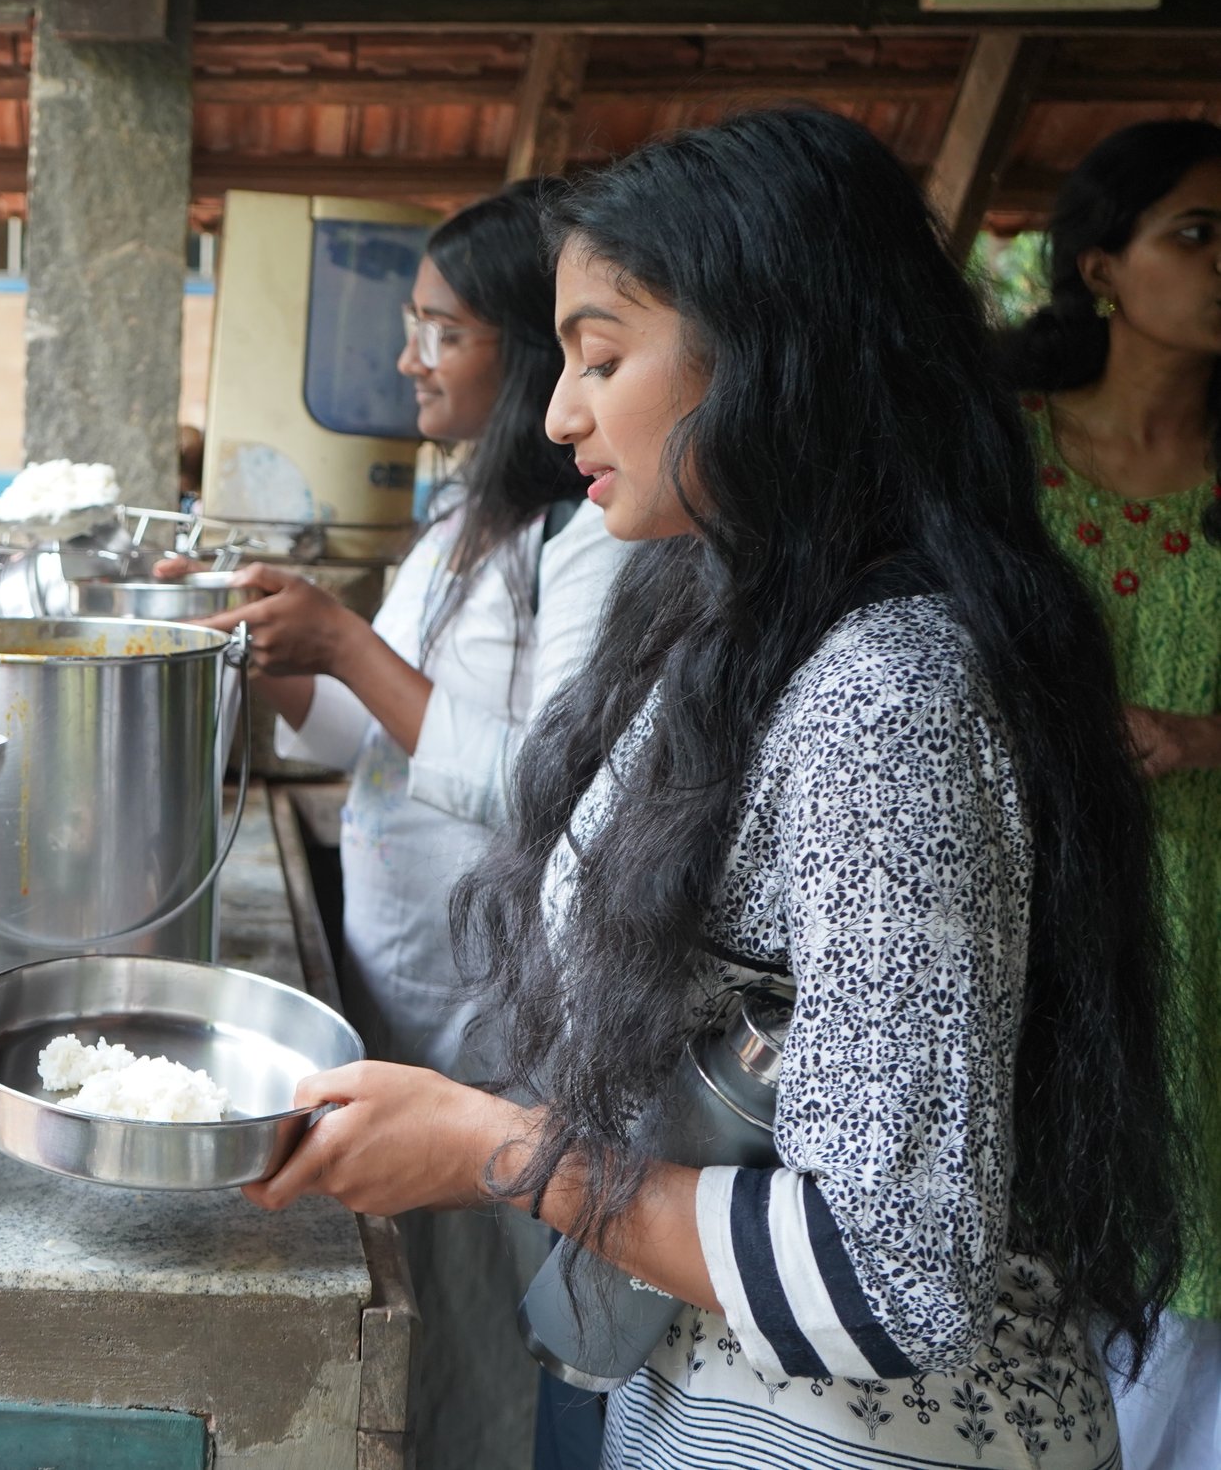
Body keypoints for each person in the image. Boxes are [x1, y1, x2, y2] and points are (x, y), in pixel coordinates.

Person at [247, 108, 1182, 1470]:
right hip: (698, 1397)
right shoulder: (725, 614)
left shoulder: (888, 695)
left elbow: (890, 1270)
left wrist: (496, 1149)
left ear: (769, 354)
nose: (559, 412)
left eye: (601, 357)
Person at [191, 180, 630, 1470]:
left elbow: (554, 790)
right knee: (424, 1317)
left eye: (444, 331)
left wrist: (342, 640)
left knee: (493, 1338)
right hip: (409, 985)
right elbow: (367, 736)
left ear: (532, 350)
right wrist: (274, 655)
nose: (409, 358)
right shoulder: (460, 519)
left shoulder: (591, 538)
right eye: (410, 326)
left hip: (502, 1019)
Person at [1001, 118, 1221, 1469]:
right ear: (1098, 266)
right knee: (1031, 1233)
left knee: (1193, 1247)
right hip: (1034, 904)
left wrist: (1198, 733)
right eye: (1196, 233)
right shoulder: (1002, 455)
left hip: (1206, 918)